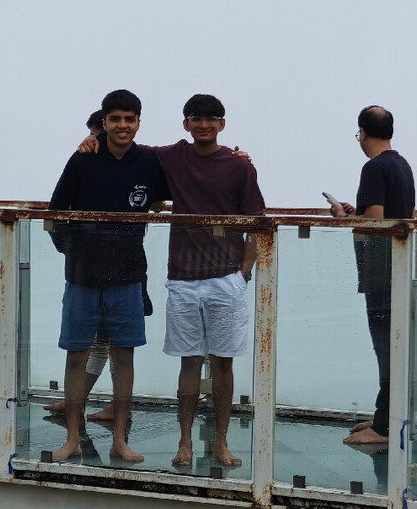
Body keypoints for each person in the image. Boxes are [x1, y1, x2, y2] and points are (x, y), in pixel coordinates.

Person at [47, 89, 169, 463]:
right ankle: (72, 438)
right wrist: (76, 249)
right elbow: (54, 215)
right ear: (104, 122)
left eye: (129, 119)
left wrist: (234, 155)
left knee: (124, 358)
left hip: (128, 276)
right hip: (82, 276)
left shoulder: (149, 162)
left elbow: (176, 189)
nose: (122, 126)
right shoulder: (83, 159)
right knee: (76, 357)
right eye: (115, 119)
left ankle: (120, 440)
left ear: (138, 122)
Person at [155, 95, 265, 467]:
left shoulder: (239, 167)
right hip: (183, 278)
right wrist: (91, 140)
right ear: (185, 123)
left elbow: (255, 223)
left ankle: (221, 441)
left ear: (223, 124)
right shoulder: (173, 156)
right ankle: (184, 442)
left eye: (211, 119)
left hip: (225, 278)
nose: (203, 125)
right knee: (188, 362)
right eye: (196, 119)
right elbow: (127, 149)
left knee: (223, 363)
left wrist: (243, 272)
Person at [328, 105, 415, 445]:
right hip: (397, 266)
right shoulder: (401, 165)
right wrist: (358, 211)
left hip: (380, 272)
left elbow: (375, 224)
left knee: (386, 349)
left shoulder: (374, 168)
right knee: (392, 347)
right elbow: (397, 215)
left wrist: (341, 217)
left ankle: (385, 427)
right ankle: (385, 417)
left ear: (362, 132)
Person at [44, 109, 118, 423]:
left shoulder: (124, 164)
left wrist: (68, 247)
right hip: (97, 264)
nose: (96, 140)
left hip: (111, 266)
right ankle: (79, 400)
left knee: (112, 341)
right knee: (104, 341)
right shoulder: (85, 163)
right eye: (95, 134)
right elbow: (57, 211)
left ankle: (113, 405)